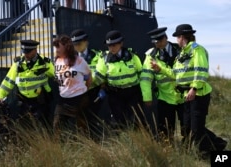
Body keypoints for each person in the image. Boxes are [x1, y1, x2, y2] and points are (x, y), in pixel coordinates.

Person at [151, 24, 227, 157]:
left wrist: (194, 88)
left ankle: (206, 155)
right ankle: (218, 144)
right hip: (187, 95)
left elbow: (201, 70)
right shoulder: (182, 53)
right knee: (189, 127)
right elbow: (176, 74)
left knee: (196, 129)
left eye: (177, 37)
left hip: (198, 94)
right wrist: (160, 68)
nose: (176, 41)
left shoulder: (197, 50)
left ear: (182, 37)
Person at [0, 39, 55, 127]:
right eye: (24, 51)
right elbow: (7, 82)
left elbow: (56, 76)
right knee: (23, 128)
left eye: (28, 52)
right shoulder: (17, 64)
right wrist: (0, 96)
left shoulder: (45, 63)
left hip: (40, 102)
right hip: (23, 102)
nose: (25, 54)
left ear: (35, 50)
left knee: (43, 127)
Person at [140, 27, 184, 143]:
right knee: (165, 129)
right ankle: (168, 151)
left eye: (160, 40)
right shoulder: (151, 55)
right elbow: (145, 78)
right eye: (155, 42)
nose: (158, 44)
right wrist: (147, 97)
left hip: (183, 96)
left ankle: (189, 150)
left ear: (166, 38)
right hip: (165, 97)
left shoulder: (180, 50)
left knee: (187, 127)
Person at [94, 30, 145, 130]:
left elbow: (141, 74)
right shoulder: (104, 58)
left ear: (121, 43)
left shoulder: (132, 56)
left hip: (133, 93)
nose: (111, 48)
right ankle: (120, 144)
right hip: (115, 94)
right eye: (109, 45)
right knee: (117, 123)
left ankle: (140, 142)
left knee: (137, 121)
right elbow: (99, 76)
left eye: (114, 45)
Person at [52, 34, 92, 139]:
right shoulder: (56, 61)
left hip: (79, 99)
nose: (56, 49)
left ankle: (86, 147)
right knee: (57, 125)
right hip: (63, 99)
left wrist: (85, 89)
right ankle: (58, 149)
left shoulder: (79, 61)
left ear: (67, 47)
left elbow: (88, 76)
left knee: (82, 127)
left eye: (58, 46)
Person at [70, 29, 105, 140]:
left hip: (93, 92)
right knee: (80, 120)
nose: (77, 46)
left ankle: (96, 143)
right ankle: (84, 144)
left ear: (86, 42)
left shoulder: (98, 55)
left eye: (79, 43)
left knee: (93, 118)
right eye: (74, 44)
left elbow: (100, 73)